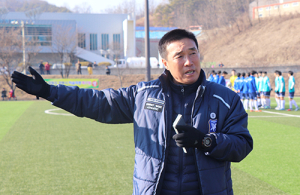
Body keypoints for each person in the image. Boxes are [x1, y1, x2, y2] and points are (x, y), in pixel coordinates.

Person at [11, 29, 253, 195]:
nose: (189, 61)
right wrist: (50, 92)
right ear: (165, 63)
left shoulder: (225, 98)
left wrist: (206, 140)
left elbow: (242, 144)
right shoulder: (143, 95)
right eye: (179, 56)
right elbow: (96, 102)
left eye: (193, 53)